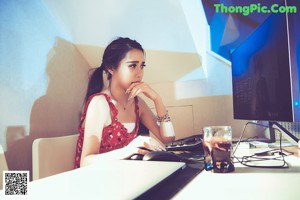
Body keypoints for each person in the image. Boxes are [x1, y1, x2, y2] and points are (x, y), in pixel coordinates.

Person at [74, 37, 175, 168]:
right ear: (111, 68)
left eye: (142, 66)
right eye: (133, 66)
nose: (139, 73)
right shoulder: (99, 103)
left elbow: (168, 140)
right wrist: (129, 150)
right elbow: (86, 162)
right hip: (95, 180)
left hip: (122, 176)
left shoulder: (137, 103)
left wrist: (157, 99)